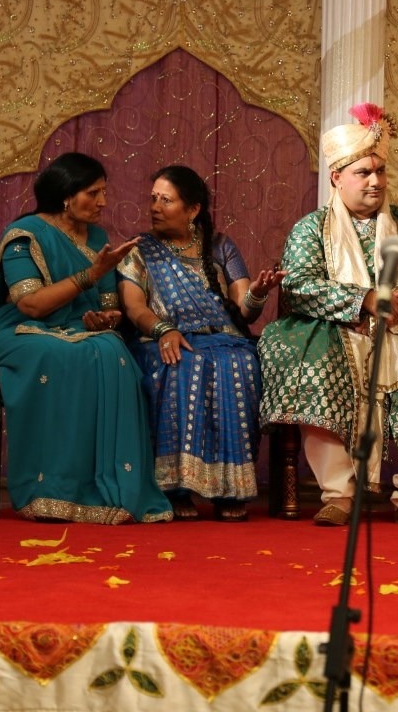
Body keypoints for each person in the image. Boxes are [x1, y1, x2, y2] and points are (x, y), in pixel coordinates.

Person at [258, 103, 398, 528]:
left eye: (380, 171)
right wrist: (362, 300)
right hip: (334, 327)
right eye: (363, 172)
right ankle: (338, 493)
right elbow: (298, 284)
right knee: (310, 363)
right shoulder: (311, 228)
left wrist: (397, 308)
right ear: (336, 178)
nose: (376, 181)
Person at [0, 152, 172, 523]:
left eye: (104, 192)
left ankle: (110, 488)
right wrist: (91, 274)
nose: (103, 202)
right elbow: (31, 305)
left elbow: (108, 307)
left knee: (112, 348)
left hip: (78, 331)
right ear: (66, 195)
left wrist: (106, 319)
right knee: (66, 355)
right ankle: (52, 489)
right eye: (93, 193)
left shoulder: (97, 238)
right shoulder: (25, 235)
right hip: (22, 333)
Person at [117, 166, 285, 522]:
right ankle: (175, 487)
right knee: (182, 361)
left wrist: (257, 293)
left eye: (166, 200)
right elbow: (134, 307)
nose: (155, 207)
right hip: (161, 339)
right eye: (153, 198)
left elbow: (244, 312)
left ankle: (229, 489)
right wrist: (164, 330)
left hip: (223, 340)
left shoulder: (221, 246)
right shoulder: (139, 250)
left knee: (242, 363)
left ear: (192, 209)